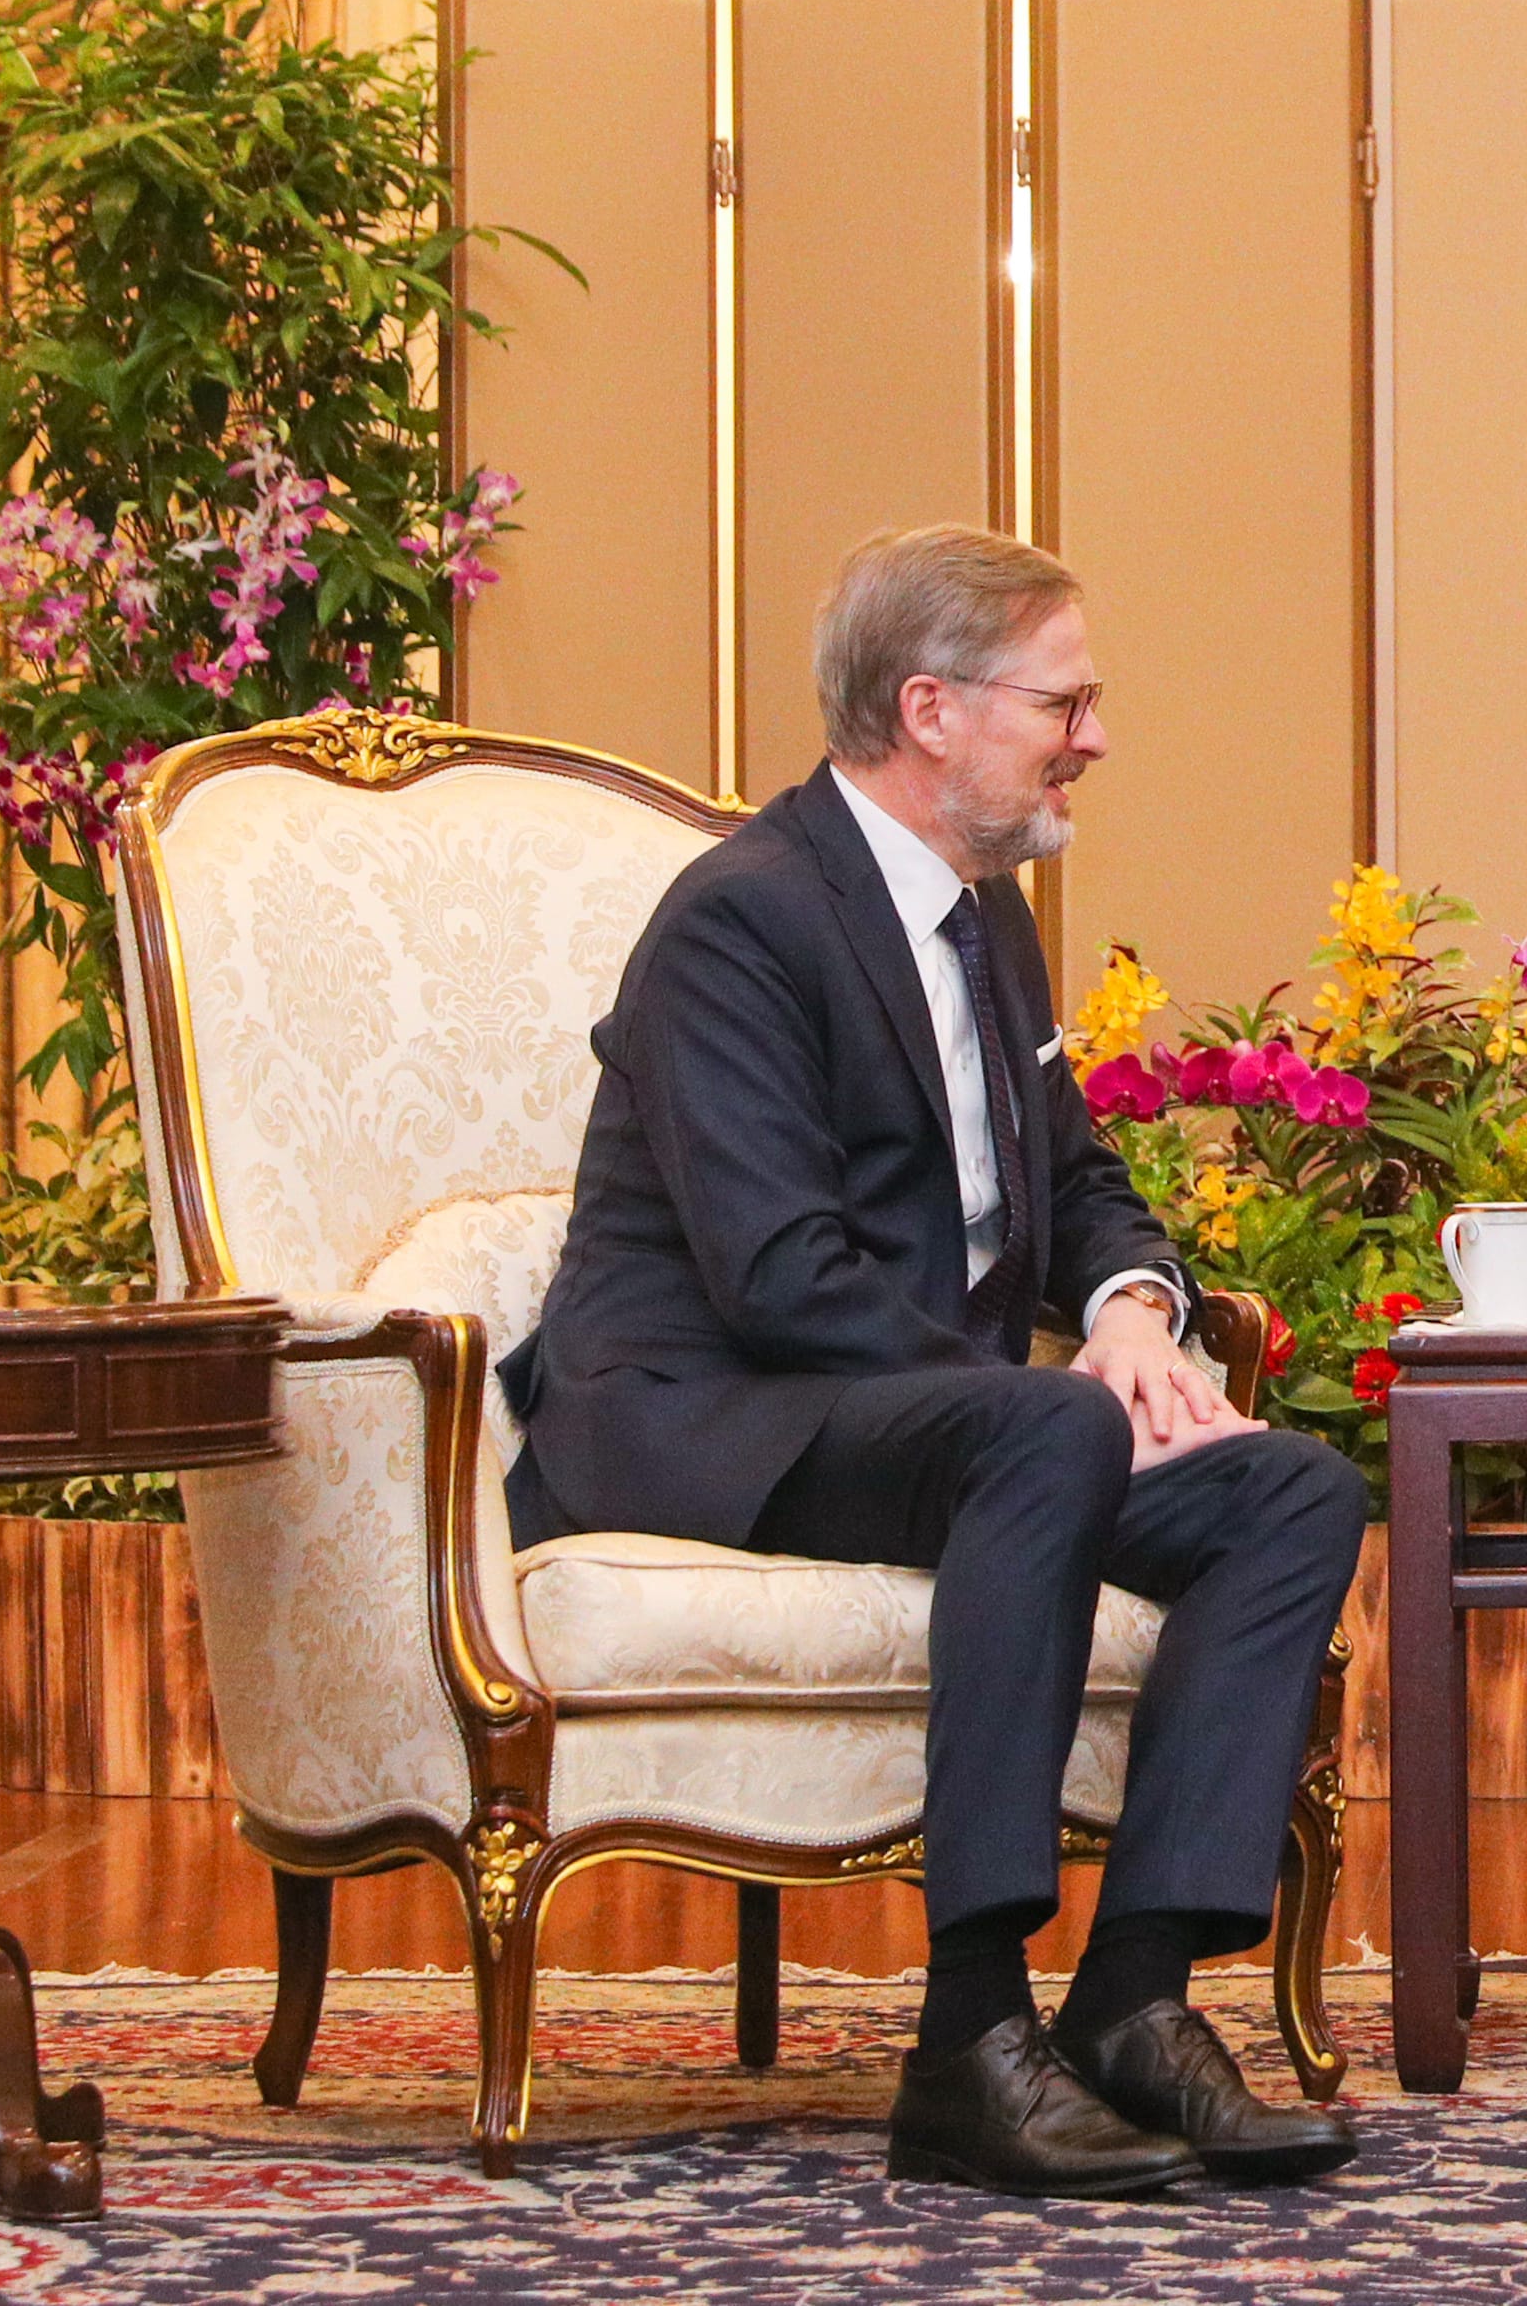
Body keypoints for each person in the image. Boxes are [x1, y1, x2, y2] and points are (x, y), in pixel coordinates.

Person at [500, 525, 1367, 2200]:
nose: (1094, 736)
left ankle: (1132, 2005)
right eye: (1068, 699)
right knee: (1047, 1440)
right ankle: (968, 2039)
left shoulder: (987, 928)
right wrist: (1055, 1415)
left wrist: (1125, 1313)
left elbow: (1086, 1187)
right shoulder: (742, 921)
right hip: (706, 1418)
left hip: (943, 1425)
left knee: (1289, 1494)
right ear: (931, 710)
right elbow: (774, 1279)